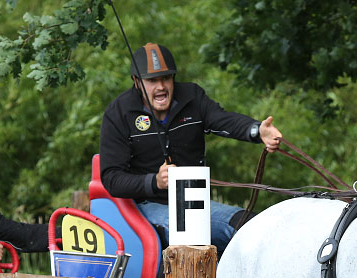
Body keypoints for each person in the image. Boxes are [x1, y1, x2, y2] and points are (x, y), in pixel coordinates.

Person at [98, 42, 282, 256]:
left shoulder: (192, 96)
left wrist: (257, 130)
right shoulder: (118, 112)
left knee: (249, 225)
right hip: (142, 208)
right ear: (137, 82)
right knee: (194, 231)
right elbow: (112, 179)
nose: (161, 87)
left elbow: (223, 120)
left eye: (166, 78)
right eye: (152, 80)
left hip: (194, 201)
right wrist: (155, 181)